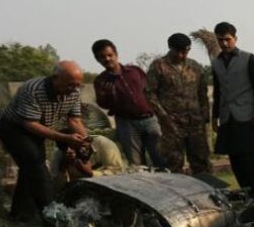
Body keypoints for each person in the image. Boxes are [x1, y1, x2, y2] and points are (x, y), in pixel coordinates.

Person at [0, 61, 87, 222]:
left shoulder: (74, 91)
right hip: (14, 129)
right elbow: (30, 124)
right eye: (70, 85)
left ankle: (20, 215)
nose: (74, 89)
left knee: (29, 168)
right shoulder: (33, 90)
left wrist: (86, 140)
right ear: (55, 78)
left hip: (38, 128)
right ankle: (55, 216)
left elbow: (74, 120)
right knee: (36, 164)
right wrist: (65, 138)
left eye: (78, 85)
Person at [211, 21, 254, 200]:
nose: (224, 43)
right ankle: (246, 193)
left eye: (227, 39)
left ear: (235, 38)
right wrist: (214, 116)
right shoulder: (216, 63)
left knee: (252, 157)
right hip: (227, 117)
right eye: (220, 40)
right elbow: (218, 91)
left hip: (247, 115)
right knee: (235, 158)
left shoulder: (248, 58)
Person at [145, 33, 212, 175]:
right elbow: (150, 94)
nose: (181, 55)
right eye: (178, 51)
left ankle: (205, 187)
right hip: (171, 125)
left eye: (185, 51)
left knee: (201, 162)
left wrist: (205, 114)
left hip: (195, 123)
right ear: (170, 48)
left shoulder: (194, 66)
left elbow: (202, 93)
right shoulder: (159, 66)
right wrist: (164, 116)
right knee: (173, 164)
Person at [92, 39, 164, 167]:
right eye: (102, 57)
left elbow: (151, 89)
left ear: (116, 54)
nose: (107, 59)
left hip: (150, 120)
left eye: (110, 55)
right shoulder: (101, 81)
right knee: (136, 164)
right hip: (127, 124)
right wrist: (106, 94)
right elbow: (103, 104)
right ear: (97, 60)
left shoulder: (135, 71)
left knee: (160, 157)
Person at [48, 135, 126, 191]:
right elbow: (57, 188)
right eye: (66, 148)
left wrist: (91, 173)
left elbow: (118, 174)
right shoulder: (60, 153)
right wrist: (63, 167)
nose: (69, 151)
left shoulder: (103, 145)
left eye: (73, 146)